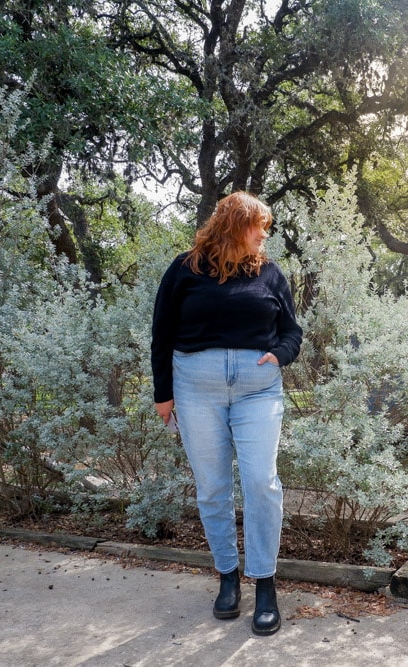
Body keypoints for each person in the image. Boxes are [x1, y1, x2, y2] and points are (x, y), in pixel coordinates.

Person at [150, 191, 303, 636]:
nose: (264, 235)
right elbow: (161, 332)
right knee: (213, 488)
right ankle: (228, 577)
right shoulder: (185, 269)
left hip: (258, 391)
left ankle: (265, 583)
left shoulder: (270, 273)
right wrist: (163, 394)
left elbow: (291, 332)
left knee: (261, 482)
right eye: (259, 226)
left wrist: (280, 354)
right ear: (235, 226)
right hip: (195, 390)